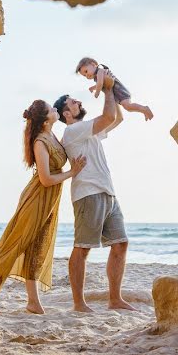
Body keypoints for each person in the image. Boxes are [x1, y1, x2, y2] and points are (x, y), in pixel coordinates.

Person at [0, 100, 86, 314]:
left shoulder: (52, 136)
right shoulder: (40, 141)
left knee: (38, 246)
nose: (56, 110)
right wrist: (72, 173)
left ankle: (33, 302)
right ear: (45, 119)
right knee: (18, 243)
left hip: (50, 199)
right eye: (52, 109)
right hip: (38, 197)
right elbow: (46, 179)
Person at [54, 75, 135, 312]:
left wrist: (115, 87)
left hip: (107, 192)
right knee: (83, 248)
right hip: (88, 194)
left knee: (120, 244)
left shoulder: (87, 131)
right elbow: (108, 116)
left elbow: (116, 118)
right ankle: (79, 304)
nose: (78, 101)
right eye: (72, 102)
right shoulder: (73, 132)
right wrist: (107, 89)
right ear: (66, 114)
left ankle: (115, 299)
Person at [76, 57, 154, 121]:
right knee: (128, 108)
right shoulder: (97, 76)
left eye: (86, 71)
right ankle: (143, 110)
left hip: (119, 90)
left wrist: (97, 93)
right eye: (84, 75)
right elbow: (100, 83)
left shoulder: (100, 71)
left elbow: (100, 83)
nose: (87, 75)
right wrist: (93, 88)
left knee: (128, 106)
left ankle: (144, 109)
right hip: (117, 94)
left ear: (93, 64)